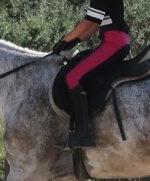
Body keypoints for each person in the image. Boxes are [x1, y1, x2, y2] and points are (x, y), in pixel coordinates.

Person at [53, 0, 131, 148]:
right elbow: (95, 25)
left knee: (72, 77)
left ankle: (84, 134)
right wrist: (74, 41)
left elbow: (89, 21)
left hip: (113, 43)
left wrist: (65, 40)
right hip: (117, 41)